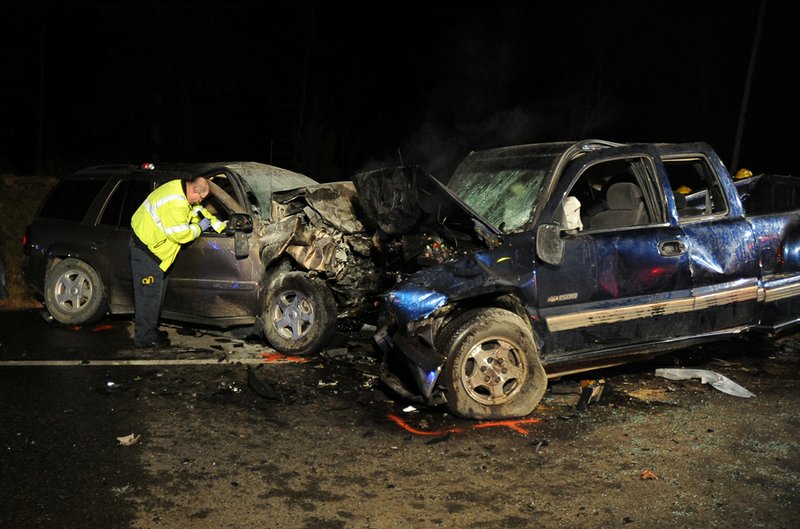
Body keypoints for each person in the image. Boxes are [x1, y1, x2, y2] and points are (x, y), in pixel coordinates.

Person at [129, 177, 226, 348]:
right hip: (148, 251)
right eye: (200, 198)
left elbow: (197, 211)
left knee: (154, 295)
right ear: (194, 191)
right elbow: (180, 234)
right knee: (148, 298)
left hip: (152, 250)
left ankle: (150, 330)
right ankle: (144, 338)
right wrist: (199, 228)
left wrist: (218, 225)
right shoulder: (176, 203)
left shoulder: (180, 188)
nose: (200, 202)